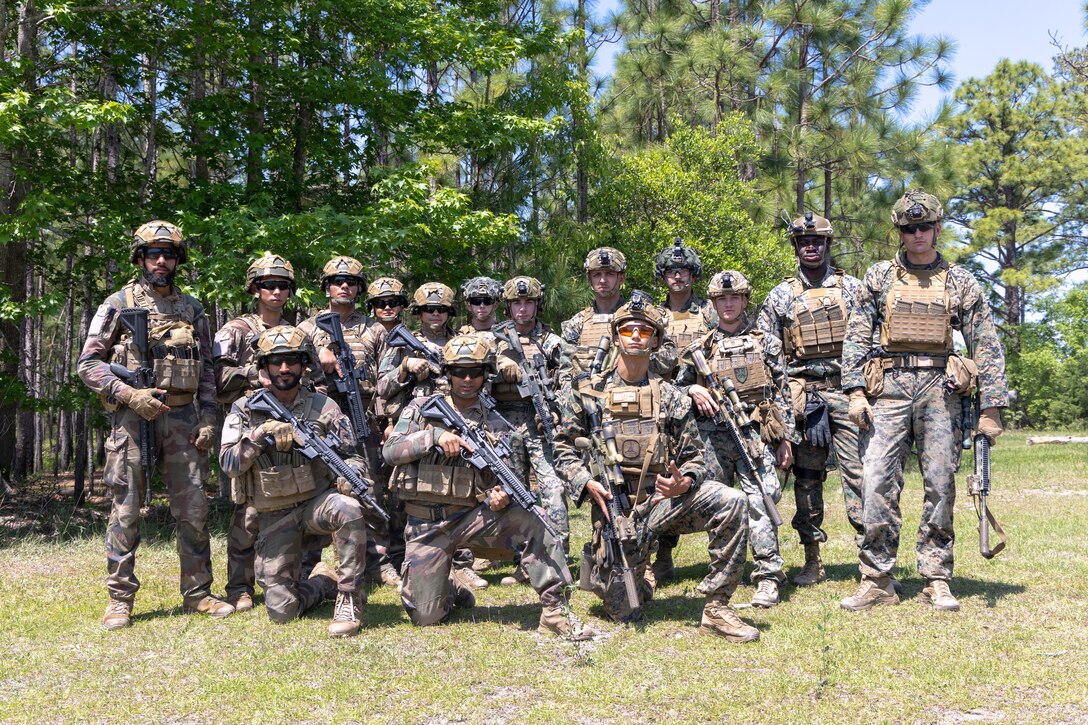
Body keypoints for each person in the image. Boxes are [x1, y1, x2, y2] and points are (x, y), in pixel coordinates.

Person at [839, 190, 1008, 612]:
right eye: (909, 228)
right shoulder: (878, 277)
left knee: (941, 485)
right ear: (900, 231)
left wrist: (990, 408)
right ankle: (877, 578)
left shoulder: (960, 279)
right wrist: (856, 393)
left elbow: (984, 342)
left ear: (937, 228)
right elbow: (856, 337)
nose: (918, 234)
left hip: (940, 393)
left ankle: (936, 576)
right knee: (875, 483)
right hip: (888, 390)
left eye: (925, 226)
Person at [553, 296, 759, 642]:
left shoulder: (672, 396)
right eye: (628, 330)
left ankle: (717, 607)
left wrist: (686, 481)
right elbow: (562, 447)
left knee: (732, 501)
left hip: (663, 504)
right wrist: (586, 482)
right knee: (626, 611)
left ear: (656, 340)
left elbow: (695, 455)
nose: (635, 336)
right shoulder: (588, 392)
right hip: (615, 513)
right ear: (616, 337)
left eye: (644, 331)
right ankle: (638, 574)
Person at [383, 334, 597, 639]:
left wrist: (501, 496)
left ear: (486, 375)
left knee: (534, 520)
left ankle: (555, 611)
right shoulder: (420, 408)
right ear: (447, 373)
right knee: (425, 616)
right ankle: (451, 588)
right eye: (459, 371)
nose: (467, 379)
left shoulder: (496, 423)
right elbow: (390, 451)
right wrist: (432, 438)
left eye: (475, 372)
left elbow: (506, 476)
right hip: (425, 525)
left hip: (472, 519)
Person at [78, 220, 233, 630]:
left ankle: (198, 593)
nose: (161, 261)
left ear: (178, 260)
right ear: (140, 258)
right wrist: (130, 395)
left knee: (194, 510)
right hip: (133, 419)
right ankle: (119, 599)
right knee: (126, 509)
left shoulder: (193, 307)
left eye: (168, 254)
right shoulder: (118, 302)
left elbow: (206, 370)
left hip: (183, 420)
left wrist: (209, 419)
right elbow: (88, 364)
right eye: (153, 254)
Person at [220, 325, 371, 637]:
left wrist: (352, 478)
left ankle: (349, 598)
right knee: (282, 610)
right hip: (274, 515)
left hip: (317, 504)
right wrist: (258, 436)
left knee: (349, 508)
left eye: (292, 360)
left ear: (305, 365)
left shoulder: (324, 407)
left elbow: (353, 456)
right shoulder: (244, 410)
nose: (284, 369)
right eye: (276, 362)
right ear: (264, 367)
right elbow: (228, 464)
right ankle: (323, 583)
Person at [756, 213, 865, 587]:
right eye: (804, 242)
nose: (811, 247)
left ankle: (871, 561)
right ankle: (812, 558)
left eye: (817, 241)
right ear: (796, 248)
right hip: (802, 396)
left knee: (861, 476)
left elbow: (870, 339)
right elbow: (767, 353)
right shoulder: (781, 295)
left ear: (827, 244)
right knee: (807, 478)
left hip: (848, 391)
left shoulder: (853, 288)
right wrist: (782, 404)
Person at [675, 270, 794, 608]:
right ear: (713, 303)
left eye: (734, 297)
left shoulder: (766, 342)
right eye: (721, 299)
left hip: (754, 434)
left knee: (762, 498)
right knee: (719, 503)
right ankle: (722, 572)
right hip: (713, 437)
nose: (728, 304)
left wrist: (785, 438)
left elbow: (783, 393)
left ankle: (768, 576)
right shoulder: (700, 348)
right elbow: (675, 391)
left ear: (744, 300)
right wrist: (694, 388)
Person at [298, 256, 399, 587]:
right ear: (326, 287)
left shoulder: (372, 329)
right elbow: (290, 376)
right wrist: (318, 359)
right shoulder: (307, 329)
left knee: (370, 488)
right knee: (314, 487)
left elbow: (386, 380)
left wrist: (388, 422)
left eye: (351, 282)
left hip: (364, 419)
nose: (344, 286)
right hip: (319, 423)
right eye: (337, 281)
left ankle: (377, 560)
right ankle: (309, 563)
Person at [213, 253, 298, 612]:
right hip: (249, 423)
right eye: (268, 285)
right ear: (255, 289)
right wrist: (252, 376)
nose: (275, 292)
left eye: (282, 286)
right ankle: (239, 586)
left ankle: (293, 574)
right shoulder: (236, 330)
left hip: (290, 424)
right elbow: (213, 377)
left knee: (291, 495)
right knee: (246, 508)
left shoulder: (298, 329)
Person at [492, 276, 572, 574]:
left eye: (528, 303)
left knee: (552, 489)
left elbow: (568, 381)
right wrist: (500, 369)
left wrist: (556, 411)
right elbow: (473, 372)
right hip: (503, 422)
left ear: (537, 305)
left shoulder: (552, 342)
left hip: (540, 422)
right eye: (516, 303)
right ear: (508, 307)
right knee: (515, 491)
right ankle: (523, 560)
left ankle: (557, 554)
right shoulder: (493, 340)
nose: (522, 309)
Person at [560, 247, 677, 380]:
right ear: (589, 279)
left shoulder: (641, 315)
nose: (603, 280)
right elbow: (565, 373)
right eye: (597, 274)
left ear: (621, 278)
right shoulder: (577, 323)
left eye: (609, 274)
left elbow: (670, 357)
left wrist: (633, 358)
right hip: (587, 395)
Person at [654, 240, 717, 351]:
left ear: (693, 276)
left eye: (683, 271)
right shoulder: (656, 315)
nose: (677, 277)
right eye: (670, 271)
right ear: (663, 277)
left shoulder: (709, 310)